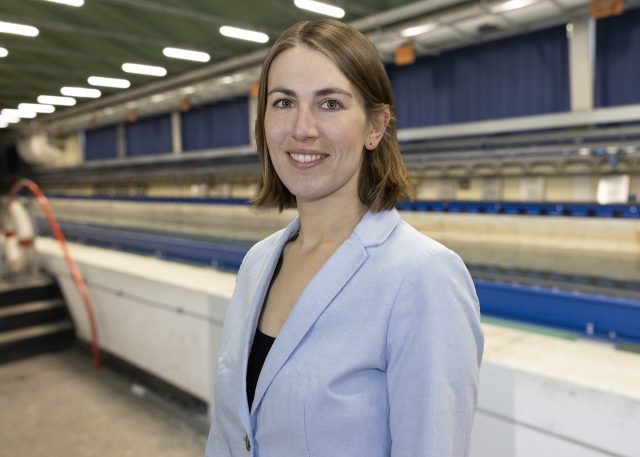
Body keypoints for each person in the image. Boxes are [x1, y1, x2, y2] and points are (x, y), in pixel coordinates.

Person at [205, 19, 483, 457]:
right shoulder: (258, 263)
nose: (302, 128)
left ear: (376, 127)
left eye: (330, 104)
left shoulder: (423, 277)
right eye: (282, 102)